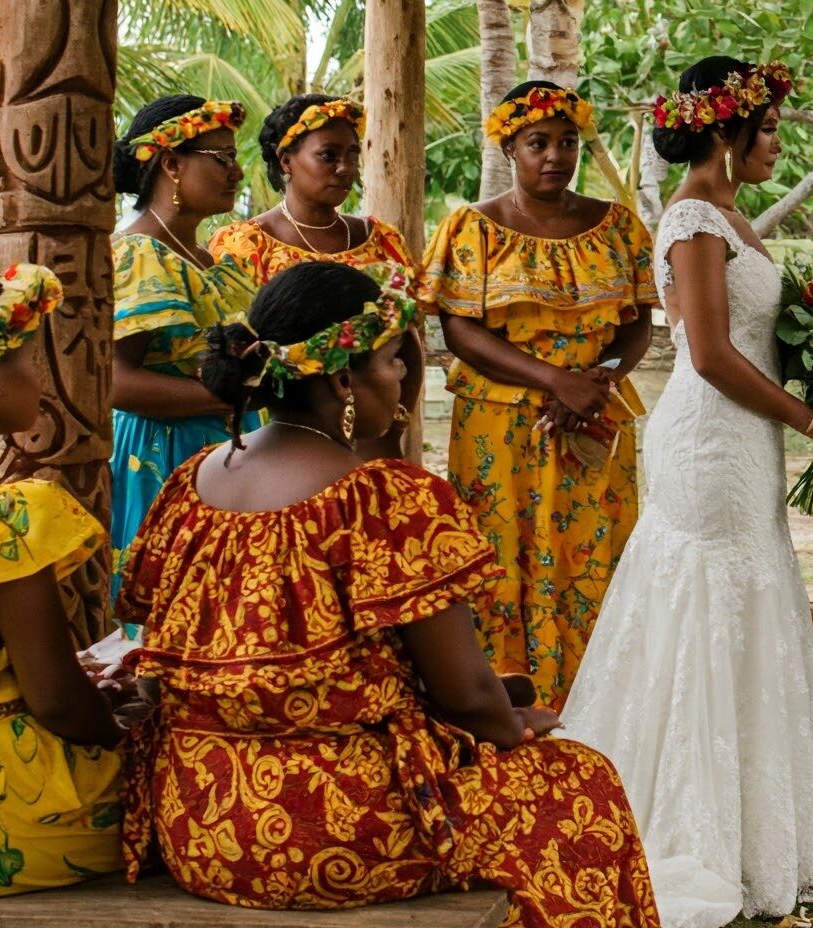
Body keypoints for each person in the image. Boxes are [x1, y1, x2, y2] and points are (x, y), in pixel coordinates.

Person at [116, 261, 658, 926]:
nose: (403, 374)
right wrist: (511, 729)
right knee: (581, 786)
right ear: (344, 377)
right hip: (335, 829)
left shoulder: (191, 483)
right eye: (391, 360)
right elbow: (466, 694)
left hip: (198, 821)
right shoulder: (385, 500)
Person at [558, 57, 813, 928]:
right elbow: (712, 355)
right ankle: (682, 822)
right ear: (724, 135)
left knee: (746, 600)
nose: (775, 146)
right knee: (705, 605)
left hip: (746, 438)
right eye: (766, 132)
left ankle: (756, 821)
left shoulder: (734, 216)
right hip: (710, 436)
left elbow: (757, 339)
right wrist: (811, 420)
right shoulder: (693, 219)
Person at [420, 81, 657, 706]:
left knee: (593, 552)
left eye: (567, 142)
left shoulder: (618, 226)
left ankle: (599, 701)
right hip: (501, 424)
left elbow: (638, 319)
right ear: (509, 149)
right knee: (504, 555)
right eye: (537, 143)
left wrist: (594, 381)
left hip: (595, 419)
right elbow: (459, 328)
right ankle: (507, 700)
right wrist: (556, 381)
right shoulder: (474, 229)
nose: (555, 155)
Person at [0, 262, 124, 898]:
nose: (42, 379)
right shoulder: (1, 515)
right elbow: (55, 699)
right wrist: (120, 727)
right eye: (31, 360)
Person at [210, 93, 424, 455]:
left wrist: (390, 434)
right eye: (328, 155)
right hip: (281, 440)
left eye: (352, 154)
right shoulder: (244, 246)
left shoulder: (382, 240)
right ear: (286, 160)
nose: (344, 167)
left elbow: (409, 343)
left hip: (375, 436)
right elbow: (235, 352)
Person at [109, 95, 256, 585]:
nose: (236, 171)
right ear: (171, 163)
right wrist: (231, 398)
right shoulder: (139, 256)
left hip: (227, 450)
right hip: (162, 458)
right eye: (223, 158)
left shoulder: (209, 261)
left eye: (235, 157)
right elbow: (115, 382)